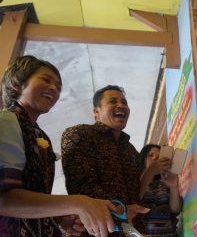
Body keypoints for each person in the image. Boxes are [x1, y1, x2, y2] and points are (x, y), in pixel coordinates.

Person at [0, 55, 117, 237]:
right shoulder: (6, 121)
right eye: (45, 79)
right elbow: (4, 200)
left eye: (58, 86)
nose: (54, 88)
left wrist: (59, 218)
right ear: (17, 83)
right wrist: (79, 202)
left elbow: (34, 194)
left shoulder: (39, 134)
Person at [61, 85, 149, 237]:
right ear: (96, 111)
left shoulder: (131, 150)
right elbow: (81, 185)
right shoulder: (79, 134)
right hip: (99, 230)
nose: (121, 105)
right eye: (113, 101)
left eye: (124, 102)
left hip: (134, 230)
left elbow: (136, 193)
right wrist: (119, 213)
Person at [136, 144, 182, 236]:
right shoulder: (136, 181)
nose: (155, 158)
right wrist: (151, 170)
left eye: (159, 156)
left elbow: (175, 210)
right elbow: (134, 200)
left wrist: (173, 187)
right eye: (151, 155)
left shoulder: (165, 182)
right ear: (143, 160)